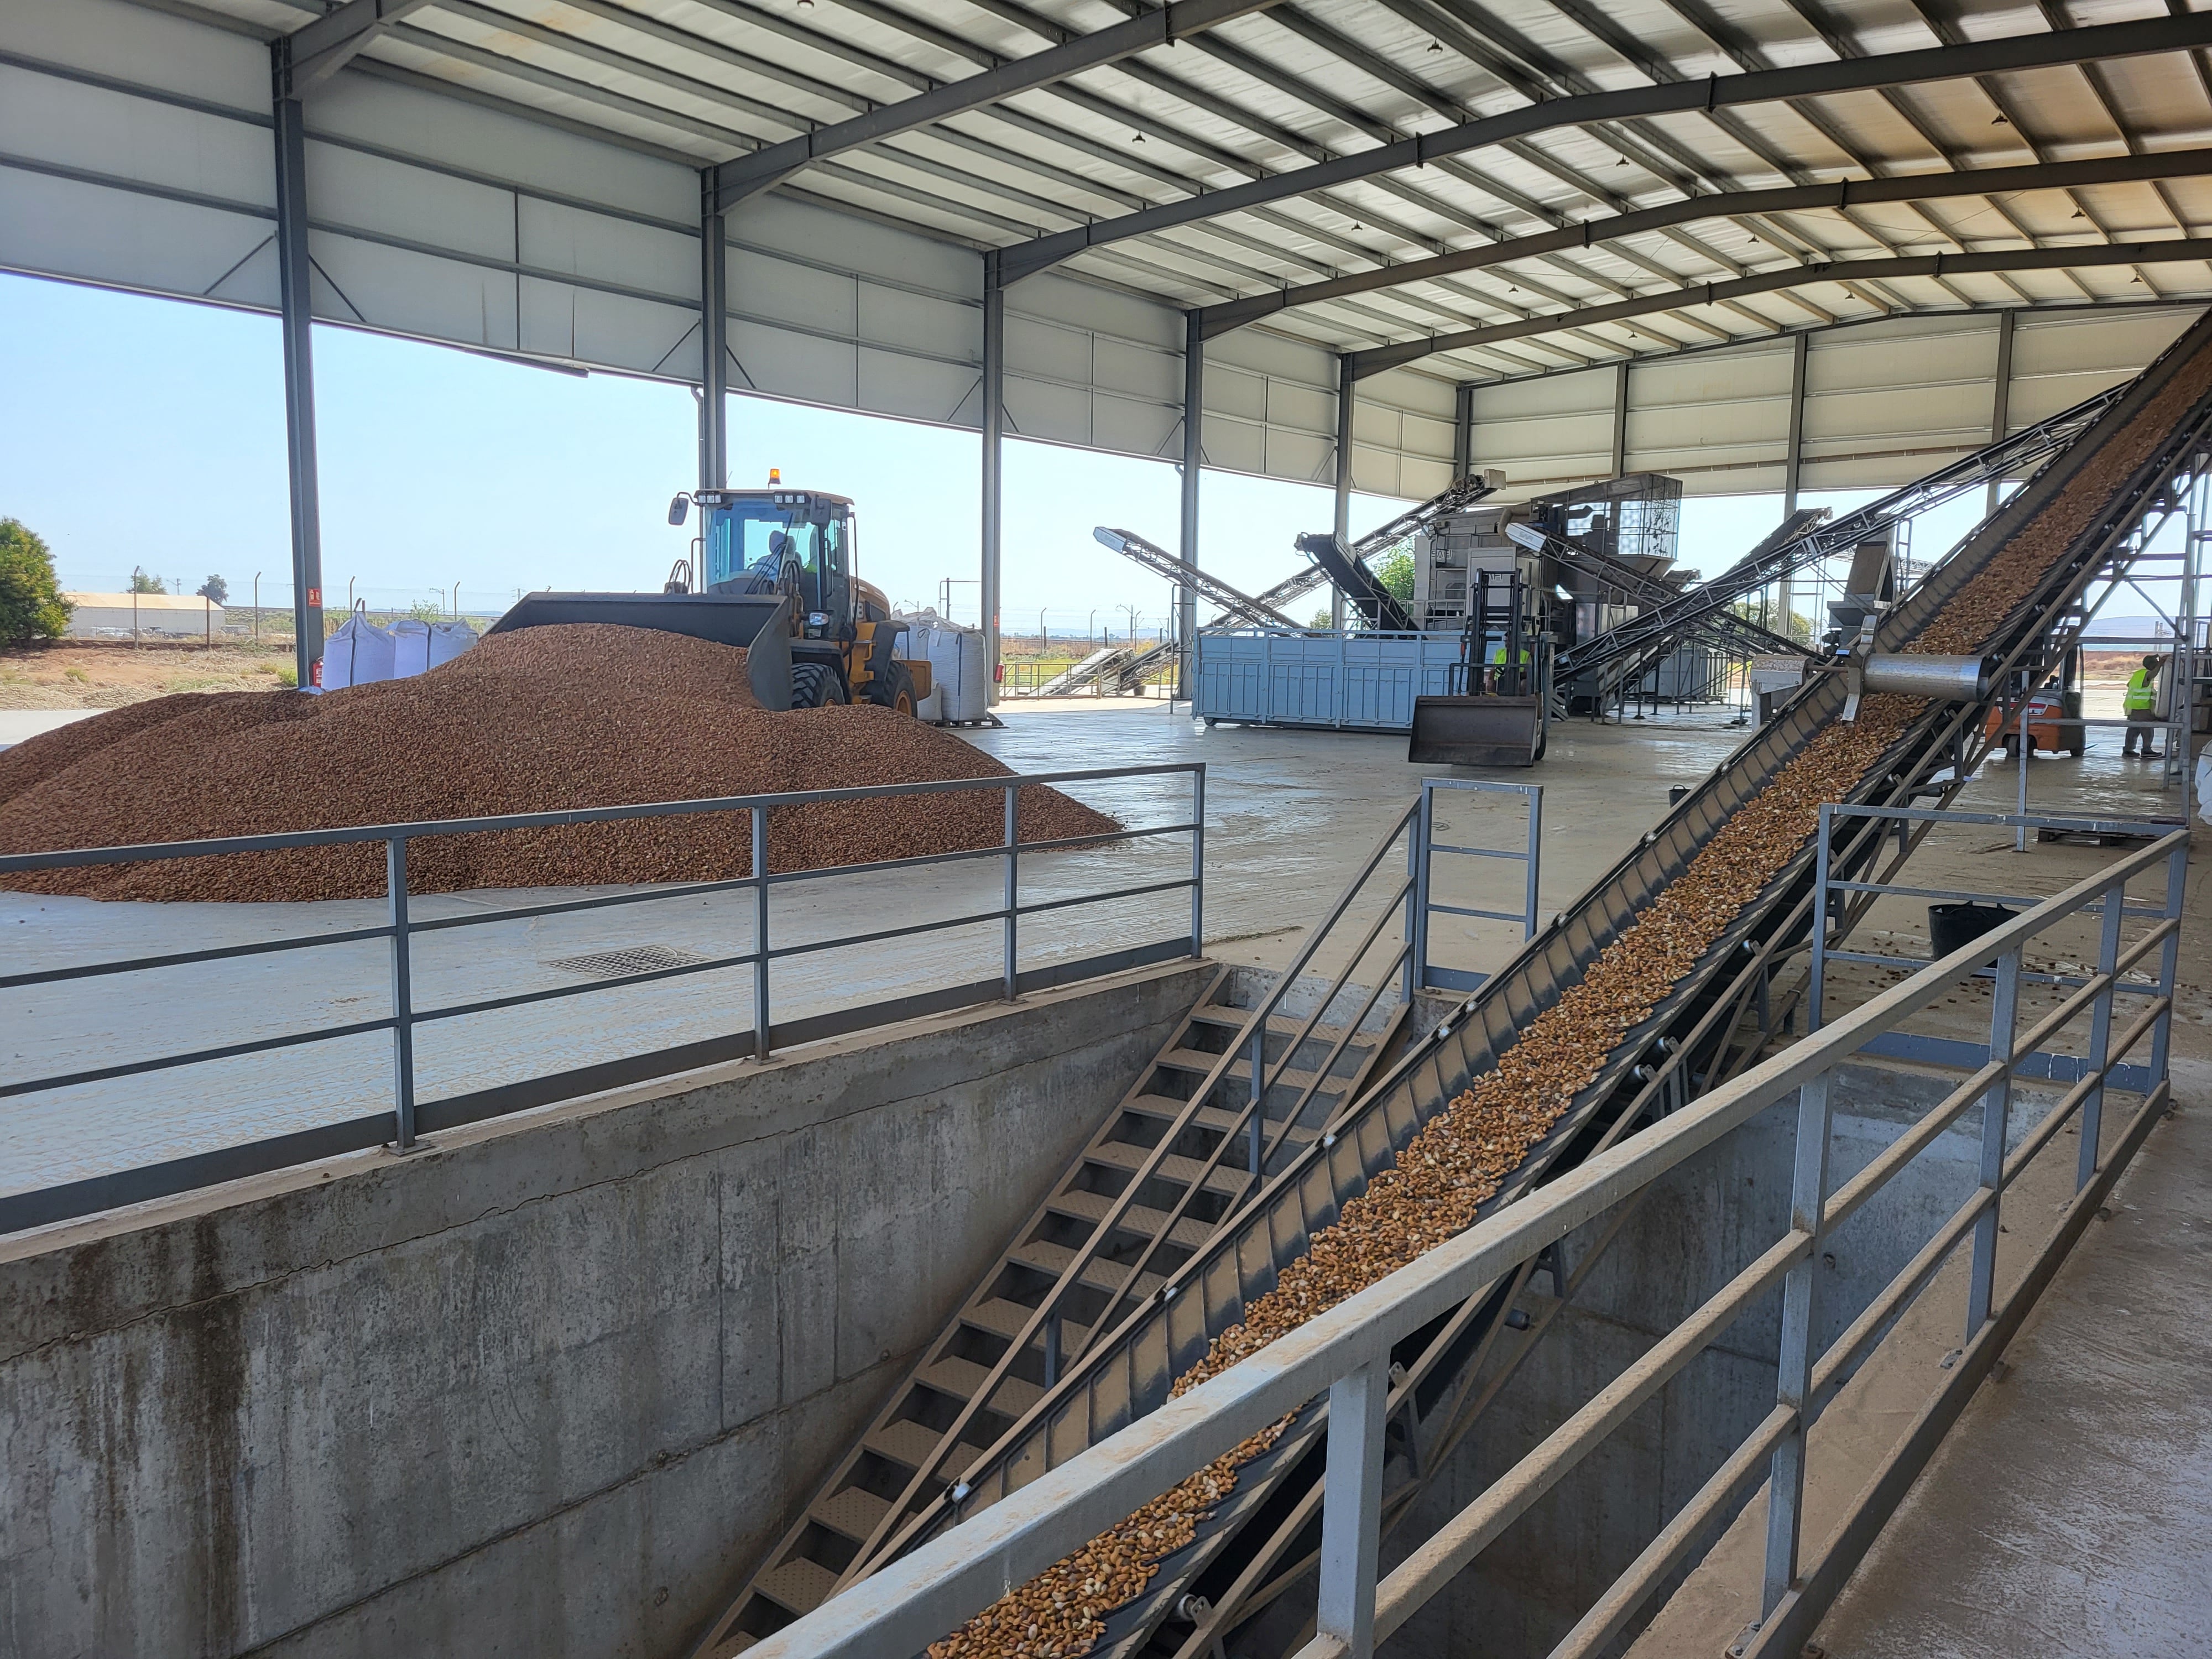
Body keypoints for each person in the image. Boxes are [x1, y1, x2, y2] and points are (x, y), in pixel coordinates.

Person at [2122, 654, 2163, 758]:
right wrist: (2161, 663)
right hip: (2142, 707)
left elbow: (2129, 685)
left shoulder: (2138, 674)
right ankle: (2147, 750)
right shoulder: (2148, 674)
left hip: (2131, 707)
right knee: (2147, 728)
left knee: (2133, 729)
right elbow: (2153, 674)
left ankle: (2128, 750)